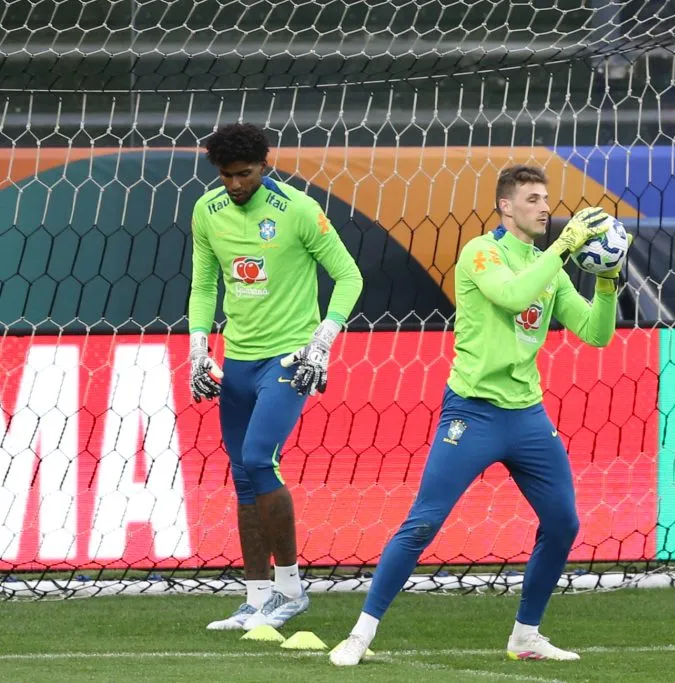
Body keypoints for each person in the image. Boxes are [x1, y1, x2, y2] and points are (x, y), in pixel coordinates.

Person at [329, 164, 631, 666]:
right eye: (532, 199)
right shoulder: (481, 252)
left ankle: (525, 635)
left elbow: (597, 334)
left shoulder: (547, 266)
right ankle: (360, 633)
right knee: (423, 524)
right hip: (472, 413)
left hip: (527, 417)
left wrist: (606, 282)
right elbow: (512, 296)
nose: (545, 208)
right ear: (506, 206)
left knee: (563, 523)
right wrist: (560, 250)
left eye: (546, 198)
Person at [188, 123, 363, 631]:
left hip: (288, 360)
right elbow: (203, 283)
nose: (236, 184)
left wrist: (322, 343)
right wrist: (199, 347)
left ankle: (291, 590)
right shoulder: (207, 210)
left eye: (244, 174)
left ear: (265, 165)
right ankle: (256, 598)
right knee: (242, 475)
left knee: (260, 459)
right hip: (238, 360)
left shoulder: (300, 211)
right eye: (227, 176)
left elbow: (350, 276)